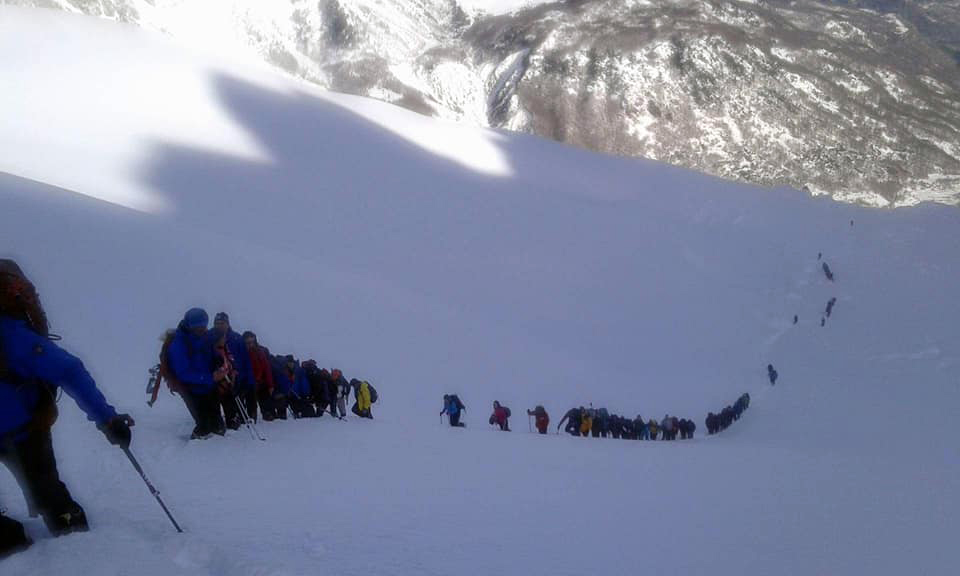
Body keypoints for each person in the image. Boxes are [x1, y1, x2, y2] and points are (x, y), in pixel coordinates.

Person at [0, 259, 133, 555]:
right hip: (25, 430)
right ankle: (76, 545)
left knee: (44, 492)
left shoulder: (13, 335)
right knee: (49, 493)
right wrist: (107, 420)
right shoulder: (16, 335)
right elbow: (70, 371)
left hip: (21, 427)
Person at [168, 308, 225, 438]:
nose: (203, 330)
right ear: (190, 326)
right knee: (204, 426)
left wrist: (218, 359)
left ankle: (220, 449)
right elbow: (183, 373)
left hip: (209, 387)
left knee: (218, 425)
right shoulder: (179, 344)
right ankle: (196, 451)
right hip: (192, 391)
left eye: (204, 326)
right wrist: (210, 377)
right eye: (199, 328)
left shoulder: (203, 336)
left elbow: (209, 351)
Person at [211, 313, 255, 427]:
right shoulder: (208, 336)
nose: (219, 325)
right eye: (217, 323)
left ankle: (234, 421)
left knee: (233, 403)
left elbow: (246, 360)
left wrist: (249, 380)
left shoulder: (237, 338)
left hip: (236, 378)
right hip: (215, 377)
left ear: (228, 323)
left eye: (222, 323)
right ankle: (216, 424)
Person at [243, 331, 274, 421]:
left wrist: (270, 385)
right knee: (251, 400)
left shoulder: (260, 352)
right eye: (247, 343)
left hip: (260, 381)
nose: (250, 345)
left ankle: (266, 413)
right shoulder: (243, 353)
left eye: (251, 342)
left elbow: (267, 369)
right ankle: (252, 415)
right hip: (249, 382)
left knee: (263, 398)